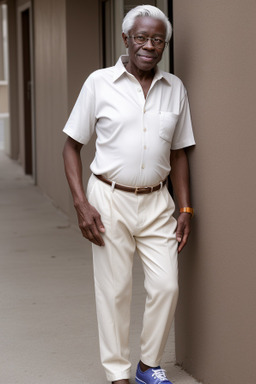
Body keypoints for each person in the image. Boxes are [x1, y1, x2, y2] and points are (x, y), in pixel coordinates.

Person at [62, 5, 195, 384]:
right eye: (141, 37)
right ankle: (118, 373)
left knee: (166, 285)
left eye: (157, 40)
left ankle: (147, 365)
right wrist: (81, 204)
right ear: (126, 39)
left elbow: (180, 151)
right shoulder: (98, 83)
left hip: (158, 203)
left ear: (164, 44)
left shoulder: (175, 89)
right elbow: (71, 146)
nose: (149, 46)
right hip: (108, 199)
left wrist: (184, 206)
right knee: (114, 291)